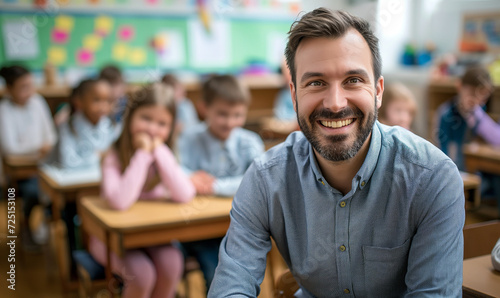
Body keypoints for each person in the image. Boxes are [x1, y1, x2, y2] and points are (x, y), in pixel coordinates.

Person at [209, 8, 464, 297]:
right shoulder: (266, 179)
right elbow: (231, 286)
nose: (334, 103)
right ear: (294, 94)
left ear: (378, 90)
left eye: (353, 80)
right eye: (316, 83)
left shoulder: (432, 178)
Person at [89, 83, 196, 298]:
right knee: (141, 274)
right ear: (129, 118)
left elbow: (185, 194)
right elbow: (120, 202)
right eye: (146, 118)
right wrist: (143, 154)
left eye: (162, 124)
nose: (152, 129)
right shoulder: (113, 156)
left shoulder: (163, 154)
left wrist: (159, 151)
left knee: (172, 262)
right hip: (110, 240)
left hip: (151, 235)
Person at [177, 74, 264, 292]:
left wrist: (214, 186)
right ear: (204, 108)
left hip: (238, 227)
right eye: (222, 114)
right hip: (196, 225)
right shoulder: (189, 137)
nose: (230, 122)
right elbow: (176, 168)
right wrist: (190, 178)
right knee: (212, 265)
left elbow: (254, 180)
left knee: (233, 267)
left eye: (237, 115)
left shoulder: (249, 142)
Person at [0, 65, 57, 250]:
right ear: (9, 89)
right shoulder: (4, 110)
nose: (30, 91)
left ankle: (46, 225)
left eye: (31, 85)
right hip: (20, 174)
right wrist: (38, 148)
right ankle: (29, 225)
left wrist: (40, 149)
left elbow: (51, 136)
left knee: (56, 190)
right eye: (23, 86)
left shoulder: (37, 102)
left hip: (45, 166)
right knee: (35, 191)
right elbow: (10, 149)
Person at [48, 78, 118, 169]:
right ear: (79, 101)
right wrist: (100, 156)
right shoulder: (68, 127)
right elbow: (69, 163)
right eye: (96, 100)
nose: (103, 106)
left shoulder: (110, 125)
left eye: (108, 101)